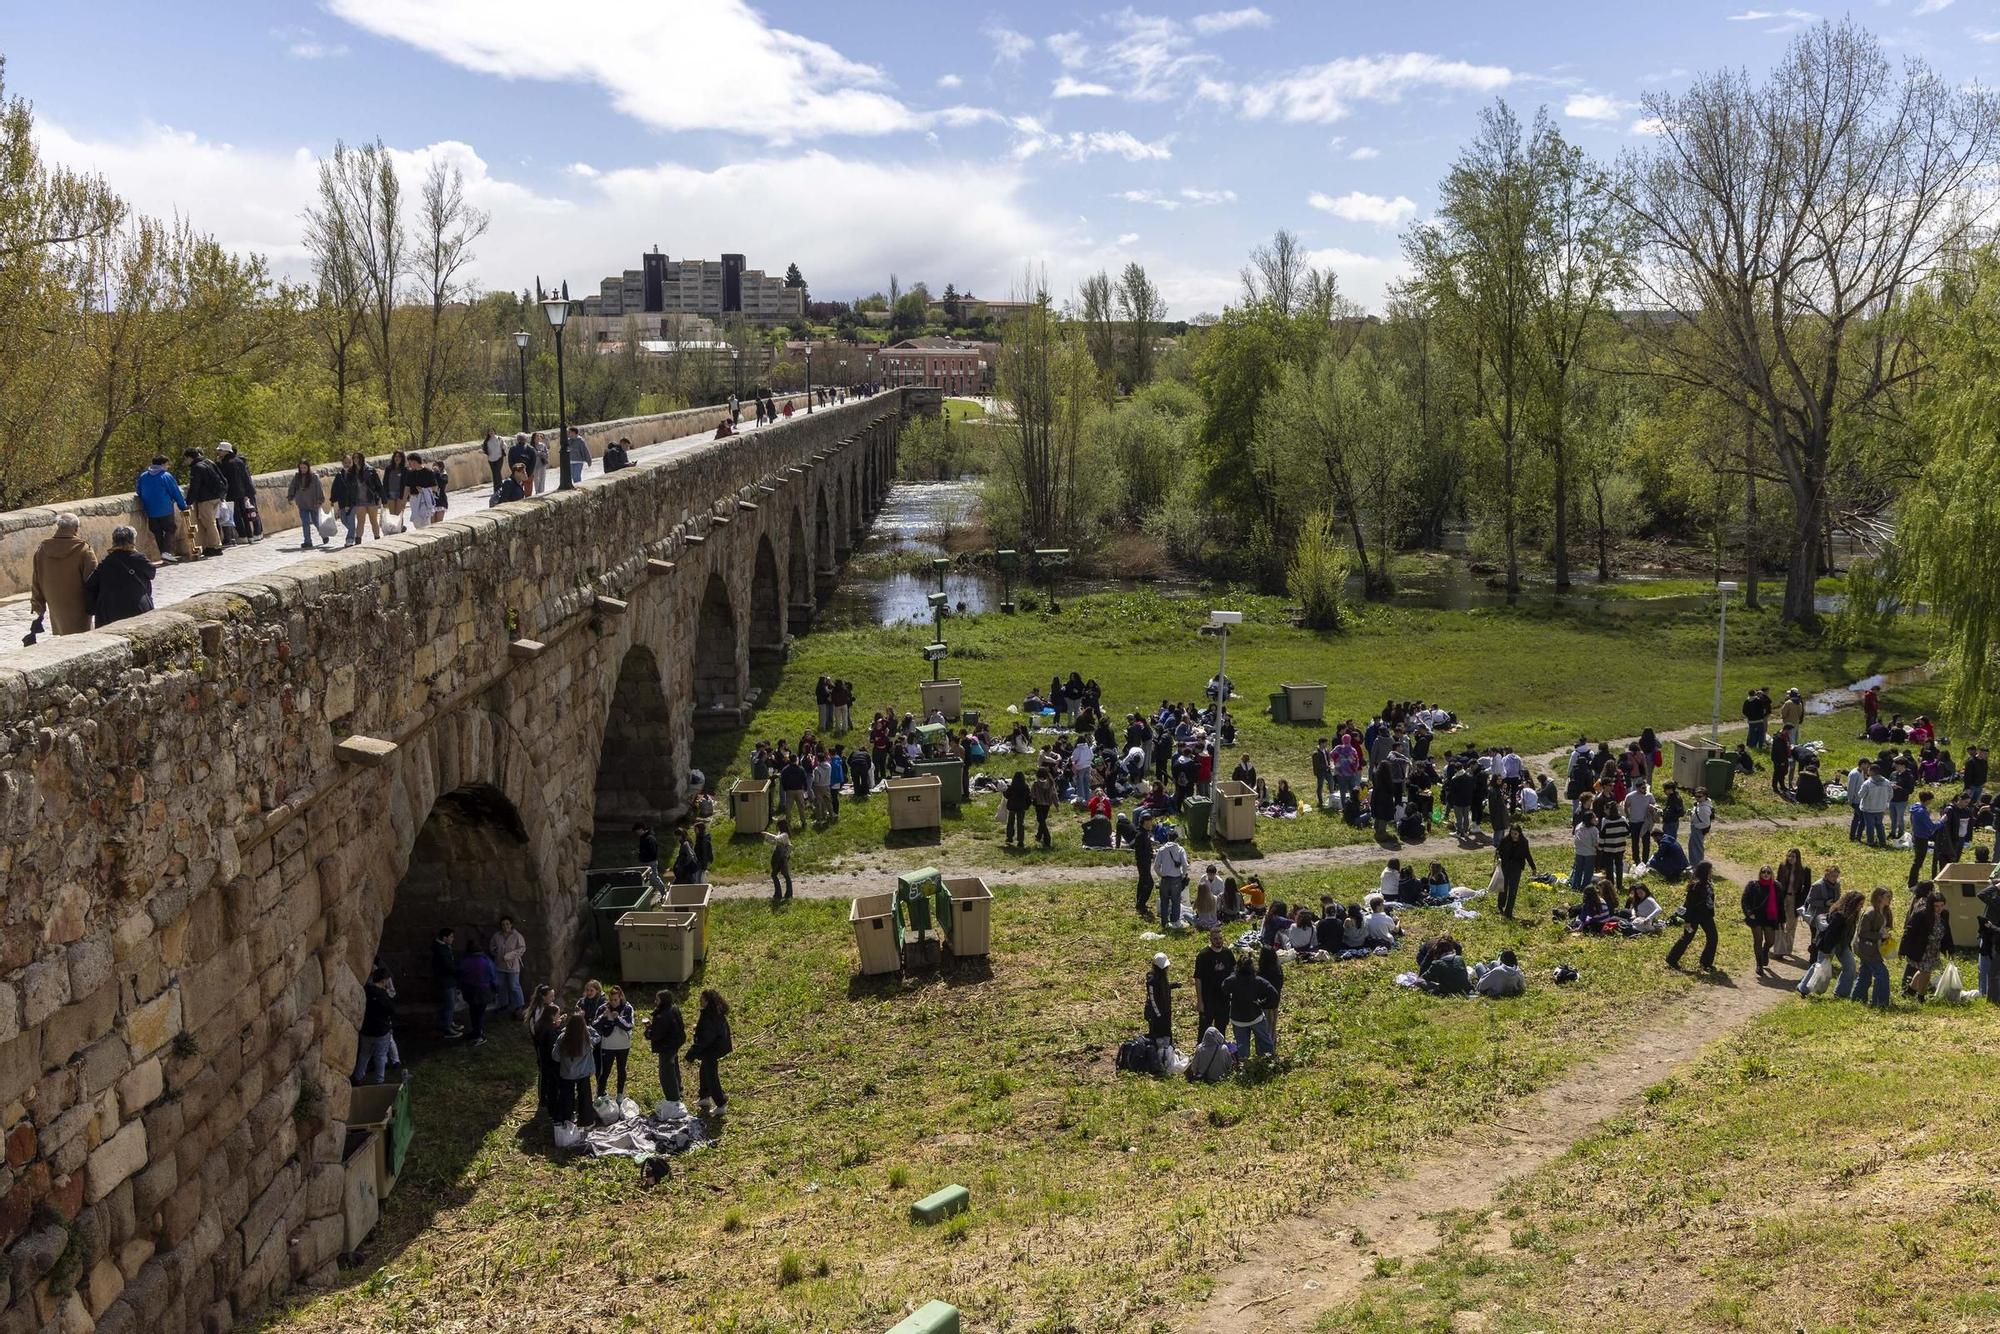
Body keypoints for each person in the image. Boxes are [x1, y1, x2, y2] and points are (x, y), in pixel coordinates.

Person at [30, 514, 96, 636]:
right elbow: (93, 581)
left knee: (63, 635)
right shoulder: (84, 550)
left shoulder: (42, 550)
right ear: (76, 528)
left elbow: (36, 581)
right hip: (79, 608)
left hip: (56, 607)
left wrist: (38, 605)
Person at [83, 526, 155, 627]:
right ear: (132, 541)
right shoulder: (139, 558)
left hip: (110, 612)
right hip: (137, 609)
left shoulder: (106, 562)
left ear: (114, 541)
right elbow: (152, 573)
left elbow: (91, 583)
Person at [1666, 860, 1719, 972]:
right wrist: (1688, 921)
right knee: (1687, 938)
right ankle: (1671, 959)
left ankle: (1706, 962)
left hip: (1706, 916)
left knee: (1713, 937)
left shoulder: (1709, 884)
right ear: (1705, 872)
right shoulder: (1695, 887)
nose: (1711, 872)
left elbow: (1710, 901)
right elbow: (1689, 905)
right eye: (1710, 871)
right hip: (1693, 918)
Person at [1900, 885, 1952, 999]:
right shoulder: (1921, 915)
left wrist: (1950, 949)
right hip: (1922, 948)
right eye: (1936, 906)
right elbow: (1909, 932)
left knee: (1923, 970)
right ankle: (1921, 996)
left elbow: (1947, 933)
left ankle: (1910, 991)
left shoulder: (1944, 914)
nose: (1939, 908)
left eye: (1942, 905)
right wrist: (1903, 950)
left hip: (1934, 949)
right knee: (1926, 972)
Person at [135, 456, 190, 561]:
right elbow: (175, 492)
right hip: (165, 509)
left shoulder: (143, 476)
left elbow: (139, 491)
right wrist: (182, 506)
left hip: (150, 510)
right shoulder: (166, 476)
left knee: (157, 532)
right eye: (167, 464)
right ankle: (166, 552)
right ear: (162, 465)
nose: (168, 467)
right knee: (170, 529)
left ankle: (163, 554)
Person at [687, 989, 733, 1115]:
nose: (699, 1001)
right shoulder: (715, 1012)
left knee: (711, 1076)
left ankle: (721, 1103)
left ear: (707, 1001)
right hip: (717, 1046)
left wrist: (690, 1054)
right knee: (704, 1070)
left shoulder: (709, 1016)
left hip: (712, 1049)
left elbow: (704, 1039)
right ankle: (704, 1097)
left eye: (701, 999)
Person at [1224, 953, 1279, 1058]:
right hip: (1255, 1017)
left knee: (1242, 1045)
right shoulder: (1258, 981)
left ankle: (1244, 1066)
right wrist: (1263, 1003)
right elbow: (1274, 995)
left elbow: (1224, 987)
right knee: (1264, 1041)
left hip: (1238, 1020)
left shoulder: (1232, 980)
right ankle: (1267, 1061)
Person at [552, 1012, 598, 1126]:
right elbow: (597, 1037)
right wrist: (589, 1028)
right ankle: (587, 1120)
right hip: (583, 1073)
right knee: (585, 1097)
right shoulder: (586, 1039)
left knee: (566, 1098)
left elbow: (555, 1056)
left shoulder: (562, 1038)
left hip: (567, 1073)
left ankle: (566, 1119)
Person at [353, 966, 397, 1084]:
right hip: (381, 1030)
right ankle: (379, 1080)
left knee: (364, 1054)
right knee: (380, 1056)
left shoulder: (365, 991)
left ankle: (358, 1077)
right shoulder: (383, 995)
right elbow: (391, 1009)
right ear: (383, 980)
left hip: (366, 1029)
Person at [181, 447, 228, 556]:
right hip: (216, 496)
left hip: (206, 499)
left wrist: (188, 502)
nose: (186, 462)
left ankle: (215, 546)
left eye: (186, 459)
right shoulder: (208, 462)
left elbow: (195, 487)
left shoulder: (196, 467)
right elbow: (223, 478)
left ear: (189, 457)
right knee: (212, 522)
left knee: (209, 523)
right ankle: (213, 544)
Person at [1853, 886, 1894, 1009]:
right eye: (1888, 896)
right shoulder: (1870, 912)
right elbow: (1862, 933)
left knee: (1865, 973)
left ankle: (1857, 999)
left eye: (1891, 896)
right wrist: (1880, 935)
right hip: (1867, 949)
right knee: (1882, 974)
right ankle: (1879, 1002)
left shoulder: (1885, 911)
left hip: (1875, 947)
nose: (1890, 899)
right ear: (1879, 897)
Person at [594, 984, 635, 1100]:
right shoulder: (603, 1008)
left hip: (623, 1045)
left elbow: (629, 1025)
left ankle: (620, 1095)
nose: (613, 1002)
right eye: (611, 1000)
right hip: (607, 1046)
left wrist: (617, 1019)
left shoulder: (627, 1008)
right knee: (605, 1071)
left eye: (615, 1000)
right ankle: (600, 1094)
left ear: (621, 997)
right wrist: (604, 1017)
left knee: (621, 1070)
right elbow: (595, 1025)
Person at [648, 989, 687, 1109]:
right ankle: (678, 1090)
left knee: (666, 1074)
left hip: (666, 1047)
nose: (655, 1001)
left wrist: (648, 1030)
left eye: (657, 999)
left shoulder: (662, 1015)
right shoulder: (674, 1008)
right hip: (675, 1044)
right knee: (674, 1068)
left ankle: (673, 1099)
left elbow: (656, 1034)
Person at [215, 442, 261, 543]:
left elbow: (221, 478)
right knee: (245, 514)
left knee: (236, 515)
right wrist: (248, 492)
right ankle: (250, 536)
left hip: (232, 492)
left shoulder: (225, 464)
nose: (218, 452)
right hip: (242, 491)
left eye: (220, 450)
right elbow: (246, 478)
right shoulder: (239, 461)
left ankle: (242, 535)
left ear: (226, 451)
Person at [1740, 867, 1782, 977]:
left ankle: (1765, 950)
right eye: (1763, 872)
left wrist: (1782, 919)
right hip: (1756, 917)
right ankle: (1759, 964)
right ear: (1760, 873)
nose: (1766, 874)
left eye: (1768, 872)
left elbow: (1780, 904)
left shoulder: (1777, 886)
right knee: (1758, 940)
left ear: (1772, 874)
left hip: (1770, 917)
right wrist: (1749, 913)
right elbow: (1745, 900)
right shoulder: (1753, 885)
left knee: (1770, 941)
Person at [457, 938, 498, 1046]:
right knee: (479, 1013)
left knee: (473, 1012)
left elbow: (460, 975)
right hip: (483, 991)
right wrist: (495, 989)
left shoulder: (465, 961)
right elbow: (493, 977)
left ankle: (476, 1032)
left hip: (469, 990)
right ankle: (478, 1035)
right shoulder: (486, 961)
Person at [1194, 928, 1234, 1035]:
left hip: (1224, 999)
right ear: (1210, 939)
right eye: (1215, 939)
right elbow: (1198, 978)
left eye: (1220, 938)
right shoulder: (1203, 955)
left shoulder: (1228, 953)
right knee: (1204, 1029)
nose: (1218, 941)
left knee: (1221, 1030)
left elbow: (1234, 974)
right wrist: (1200, 1001)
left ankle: (1220, 1050)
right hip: (1208, 999)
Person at [529, 987, 561, 1118]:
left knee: (551, 1073)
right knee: (543, 1071)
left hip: (548, 1046)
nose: (553, 999)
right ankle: (543, 1098)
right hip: (542, 1046)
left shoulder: (549, 1008)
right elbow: (537, 1030)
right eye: (551, 996)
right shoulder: (538, 1011)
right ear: (543, 997)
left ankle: (550, 1095)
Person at [1773, 849, 1810, 960]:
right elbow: (1778, 882)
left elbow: (1807, 888)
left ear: (1798, 857)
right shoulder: (1783, 867)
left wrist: (1802, 902)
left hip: (1794, 899)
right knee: (1780, 923)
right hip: (1783, 897)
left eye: (1793, 856)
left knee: (1791, 925)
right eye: (1789, 856)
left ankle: (1788, 949)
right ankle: (1779, 949)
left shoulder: (1805, 870)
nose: (1790, 858)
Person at [1495, 824, 1536, 920]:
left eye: (1515, 834)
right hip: (1505, 866)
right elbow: (1498, 851)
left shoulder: (1524, 842)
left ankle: (1508, 912)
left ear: (1519, 833)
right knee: (1503, 887)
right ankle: (1500, 905)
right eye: (1512, 833)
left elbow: (1527, 855)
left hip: (1516, 868)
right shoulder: (1505, 840)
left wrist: (1533, 867)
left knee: (1513, 890)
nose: (1513, 835)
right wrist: (1499, 858)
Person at [491, 916, 528, 1017]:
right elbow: (492, 946)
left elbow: (522, 948)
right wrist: (495, 951)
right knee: (501, 985)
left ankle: (519, 1006)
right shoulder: (497, 936)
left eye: (507, 924)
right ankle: (503, 1004)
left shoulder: (517, 936)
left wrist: (510, 955)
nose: (505, 926)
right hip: (500, 965)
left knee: (514, 985)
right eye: (503, 924)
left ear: (511, 925)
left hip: (512, 966)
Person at [285, 459, 326, 550]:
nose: (303, 469)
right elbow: (292, 487)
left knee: (316, 521)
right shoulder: (297, 477)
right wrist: (290, 497)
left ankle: (323, 535)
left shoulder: (314, 477)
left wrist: (320, 500)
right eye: (301, 468)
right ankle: (307, 541)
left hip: (313, 503)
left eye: (305, 467)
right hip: (302, 504)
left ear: (308, 467)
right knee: (305, 523)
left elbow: (319, 488)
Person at [1154, 833, 1190, 930]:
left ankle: (1164, 923)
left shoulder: (1162, 850)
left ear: (1168, 838)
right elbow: (1185, 865)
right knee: (1176, 901)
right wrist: (1183, 875)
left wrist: (1161, 875)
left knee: (1164, 901)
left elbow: (1155, 866)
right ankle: (1175, 922)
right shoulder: (1180, 849)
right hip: (1176, 879)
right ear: (1177, 839)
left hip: (1165, 879)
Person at [430, 926, 462, 1036]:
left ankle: (448, 1022)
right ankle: (447, 1028)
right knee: (449, 1004)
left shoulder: (443, 947)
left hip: (449, 979)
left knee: (450, 1003)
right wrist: (459, 971)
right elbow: (448, 966)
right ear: (444, 938)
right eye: (451, 937)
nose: (453, 939)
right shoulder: (441, 950)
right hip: (446, 980)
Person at [1143, 953, 1178, 1043]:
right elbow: (1152, 998)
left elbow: (1163, 989)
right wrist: (1158, 1014)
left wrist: (1174, 985)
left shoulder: (1162, 977)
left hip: (1165, 1011)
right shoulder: (1152, 981)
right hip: (1157, 1014)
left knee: (1167, 1033)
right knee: (1157, 1036)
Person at [764, 821, 793, 902]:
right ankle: (786, 894)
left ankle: (780, 894)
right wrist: (766, 838)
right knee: (784, 875)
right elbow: (774, 842)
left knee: (776, 875)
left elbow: (776, 839)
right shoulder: (782, 834)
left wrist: (767, 834)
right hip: (781, 857)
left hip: (781, 858)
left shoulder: (784, 835)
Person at [1003, 771, 1030, 849]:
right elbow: (1028, 797)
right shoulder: (1025, 786)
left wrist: (1004, 792)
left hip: (1012, 806)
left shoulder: (1012, 786)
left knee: (1011, 822)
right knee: (1020, 823)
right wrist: (1027, 805)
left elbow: (1007, 795)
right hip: (1021, 807)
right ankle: (1020, 841)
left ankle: (1010, 837)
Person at [1687, 788, 1714, 867]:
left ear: (1705, 796)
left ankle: (1698, 866)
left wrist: (1696, 826)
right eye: (1696, 796)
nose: (1697, 798)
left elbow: (1706, 823)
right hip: (1695, 828)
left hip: (1698, 829)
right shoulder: (1699, 804)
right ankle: (1694, 865)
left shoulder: (1704, 808)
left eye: (1699, 796)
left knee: (1697, 848)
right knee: (1692, 847)